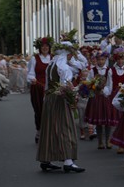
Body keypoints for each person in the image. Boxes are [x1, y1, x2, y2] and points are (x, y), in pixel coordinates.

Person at [36, 39, 87, 173]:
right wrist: (75, 93)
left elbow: (47, 85)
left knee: (50, 129)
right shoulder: (63, 66)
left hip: (49, 99)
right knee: (66, 127)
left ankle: (46, 159)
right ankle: (68, 160)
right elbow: (67, 86)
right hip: (60, 99)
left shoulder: (51, 64)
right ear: (66, 53)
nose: (72, 55)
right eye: (71, 53)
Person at [26, 37, 52, 143]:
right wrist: (32, 79)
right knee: (39, 110)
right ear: (39, 48)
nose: (45, 48)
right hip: (38, 87)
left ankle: (49, 131)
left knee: (51, 110)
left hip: (51, 87)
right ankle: (39, 130)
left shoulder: (54, 58)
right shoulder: (35, 58)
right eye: (43, 46)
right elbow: (30, 72)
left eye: (47, 46)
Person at [84, 51, 111, 149]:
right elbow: (88, 81)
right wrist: (93, 86)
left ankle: (108, 140)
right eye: (99, 59)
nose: (100, 61)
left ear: (105, 60)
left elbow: (110, 84)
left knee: (108, 120)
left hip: (106, 97)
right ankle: (100, 141)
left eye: (102, 59)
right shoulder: (93, 70)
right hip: (96, 97)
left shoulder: (109, 70)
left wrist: (105, 91)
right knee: (99, 120)